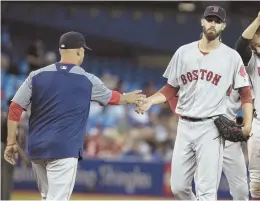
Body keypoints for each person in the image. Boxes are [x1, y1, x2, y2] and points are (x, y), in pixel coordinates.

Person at [4, 31, 146, 201]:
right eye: (83, 50)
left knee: (47, 197)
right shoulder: (87, 79)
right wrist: (127, 98)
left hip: (37, 150)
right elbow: (112, 98)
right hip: (64, 150)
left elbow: (14, 107)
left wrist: (11, 142)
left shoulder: (36, 76)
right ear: (79, 51)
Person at [136, 5, 253, 201]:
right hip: (185, 126)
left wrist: (248, 123)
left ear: (223, 26)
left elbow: (246, 93)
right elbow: (170, 88)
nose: (212, 24)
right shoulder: (183, 52)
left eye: (217, 21)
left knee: (206, 192)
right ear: (202, 21)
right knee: (179, 188)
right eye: (210, 19)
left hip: (212, 127)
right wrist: (150, 102)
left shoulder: (231, 57)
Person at [235, 11, 260, 200]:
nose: (256, 46)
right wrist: (258, 20)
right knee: (257, 180)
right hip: (258, 122)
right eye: (255, 45)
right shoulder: (252, 61)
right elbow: (240, 45)